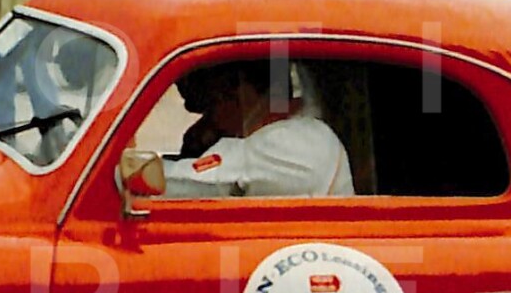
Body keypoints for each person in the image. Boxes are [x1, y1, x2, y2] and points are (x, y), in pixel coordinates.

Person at [128, 57, 352, 199]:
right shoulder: (295, 131)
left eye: (212, 103)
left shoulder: (294, 141)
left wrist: (125, 172)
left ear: (239, 92)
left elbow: (194, 181)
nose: (209, 119)